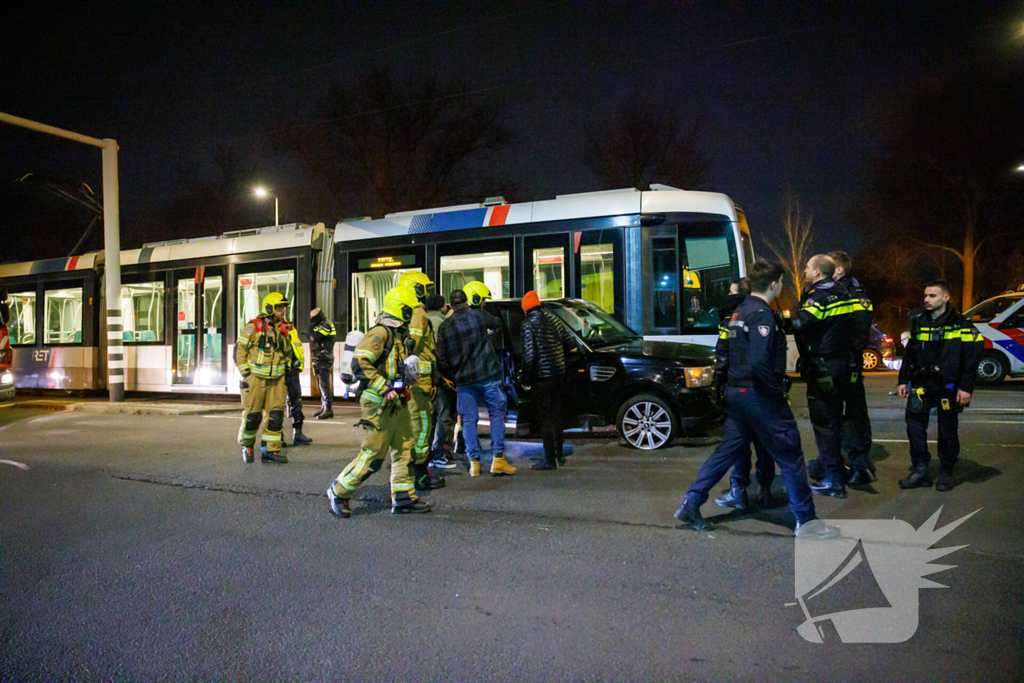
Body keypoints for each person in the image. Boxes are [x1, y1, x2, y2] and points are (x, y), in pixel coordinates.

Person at [674, 261, 837, 539]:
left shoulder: (740, 311)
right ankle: (806, 522)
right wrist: (776, 397)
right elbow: (761, 362)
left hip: (737, 395)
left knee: (727, 452)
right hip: (759, 396)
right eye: (782, 282)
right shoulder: (761, 315)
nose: (782, 286)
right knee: (790, 454)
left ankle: (692, 502)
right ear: (774, 284)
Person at [326, 284, 430, 517]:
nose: (413, 315)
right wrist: (383, 387)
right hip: (378, 403)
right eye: (410, 310)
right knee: (373, 455)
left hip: (397, 401)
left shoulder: (399, 335)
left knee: (405, 448)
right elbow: (359, 363)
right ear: (401, 310)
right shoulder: (380, 333)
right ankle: (339, 491)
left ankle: (403, 497)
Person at [897, 280, 983, 491]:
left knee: (947, 430)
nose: (927, 299)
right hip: (920, 383)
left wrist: (966, 387)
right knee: (914, 426)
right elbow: (910, 353)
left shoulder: (960, 323)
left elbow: (971, 357)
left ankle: (946, 471)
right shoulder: (917, 320)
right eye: (926, 295)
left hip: (948, 385)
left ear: (946, 297)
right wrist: (903, 380)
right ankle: (920, 469)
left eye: (932, 296)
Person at [435, 285, 517, 478]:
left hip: (464, 380)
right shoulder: (478, 315)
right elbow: (497, 323)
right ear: (466, 302)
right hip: (488, 374)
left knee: (469, 421)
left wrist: (454, 374)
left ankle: (474, 464)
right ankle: (498, 460)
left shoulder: (445, 327)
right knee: (497, 415)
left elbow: (441, 359)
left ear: (451, 306)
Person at [711, 277, 776, 510]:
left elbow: (723, 354)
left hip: (737, 387)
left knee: (738, 442)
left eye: (731, 292)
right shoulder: (764, 314)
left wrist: (717, 384)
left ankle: (738, 491)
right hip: (761, 390)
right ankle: (765, 491)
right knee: (763, 442)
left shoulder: (732, 318)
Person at [792, 254, 852, 499]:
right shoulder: (843, 292)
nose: (805, 271)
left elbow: (801, 324)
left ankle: (833, 481)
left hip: (823, 368)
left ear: (817, 272)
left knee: (824, 424)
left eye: (807, 267)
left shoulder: (818, 297)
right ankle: (835, 471)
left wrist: (785, 316)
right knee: (835, 422)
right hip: (840, 364)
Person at [828, 250, 874, 485]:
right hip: (840, 362)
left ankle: (861, 462)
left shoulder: (856, 295)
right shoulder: (834, 293)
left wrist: (846, 358)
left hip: (849, 364)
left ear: (839, 270)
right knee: (839, 411)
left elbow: (859, 334)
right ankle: (849, 460)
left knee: (855, 411)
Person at [398, 271, 445, 491]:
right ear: (415, 289)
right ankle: (420, 476)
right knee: (422, 426)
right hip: (419, 383)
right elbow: (413, 344)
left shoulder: (403, 311)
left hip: (417, 381)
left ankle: (416, 472)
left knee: (417, 426)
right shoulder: (418, 312)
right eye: (424, 289)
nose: (427, 293)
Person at [235, 292, 295, 464]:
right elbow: (240, 351)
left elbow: (287, 352)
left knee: (275, 416)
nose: (283, 310)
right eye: (279, 307)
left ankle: (271, 451)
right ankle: (247, 446)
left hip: (277, 380)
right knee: (253, 416)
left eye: (283, 307)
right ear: (269, 308)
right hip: (256, 380)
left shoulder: (284, 329)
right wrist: (246, 373)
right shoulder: (253, 327)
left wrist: (288, 366)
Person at [519, 290, 575, 471]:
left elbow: (529, 355)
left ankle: (549, 460)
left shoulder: (528, 324)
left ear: (526, 309)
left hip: (541, 378)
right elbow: (570, 343)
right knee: (556, 414)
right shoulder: (554, 319)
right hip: (559, 374)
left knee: (543, 418)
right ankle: (558, 453)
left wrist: (525, 379)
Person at [425, 294, 458, 470]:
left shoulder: (421, 321)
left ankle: (426, 454)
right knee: (444, 415)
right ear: (442, 307)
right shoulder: (442, 323)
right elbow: (443, 352)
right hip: (441, 377)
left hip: (424, 379)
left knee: (429, 418)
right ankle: (439, 453)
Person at [281, 318, 312, 446]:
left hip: (292, 370)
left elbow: (296, 348)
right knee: (276, 405)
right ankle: (278, 436)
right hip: (279, 371)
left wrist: (298, 364)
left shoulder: (290, 329)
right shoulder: (271, 329)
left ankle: (298, 433)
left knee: (296, 401)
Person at [309, 308, 336, 419]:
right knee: (321, 383)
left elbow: (315, 337)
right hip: (321, 357)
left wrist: (310, 330)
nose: (311, 320)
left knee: (324, 384)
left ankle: (328, 409)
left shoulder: (326, 325)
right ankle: (324, 406)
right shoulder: (321, 324)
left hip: (325, 357)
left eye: (313, 318)